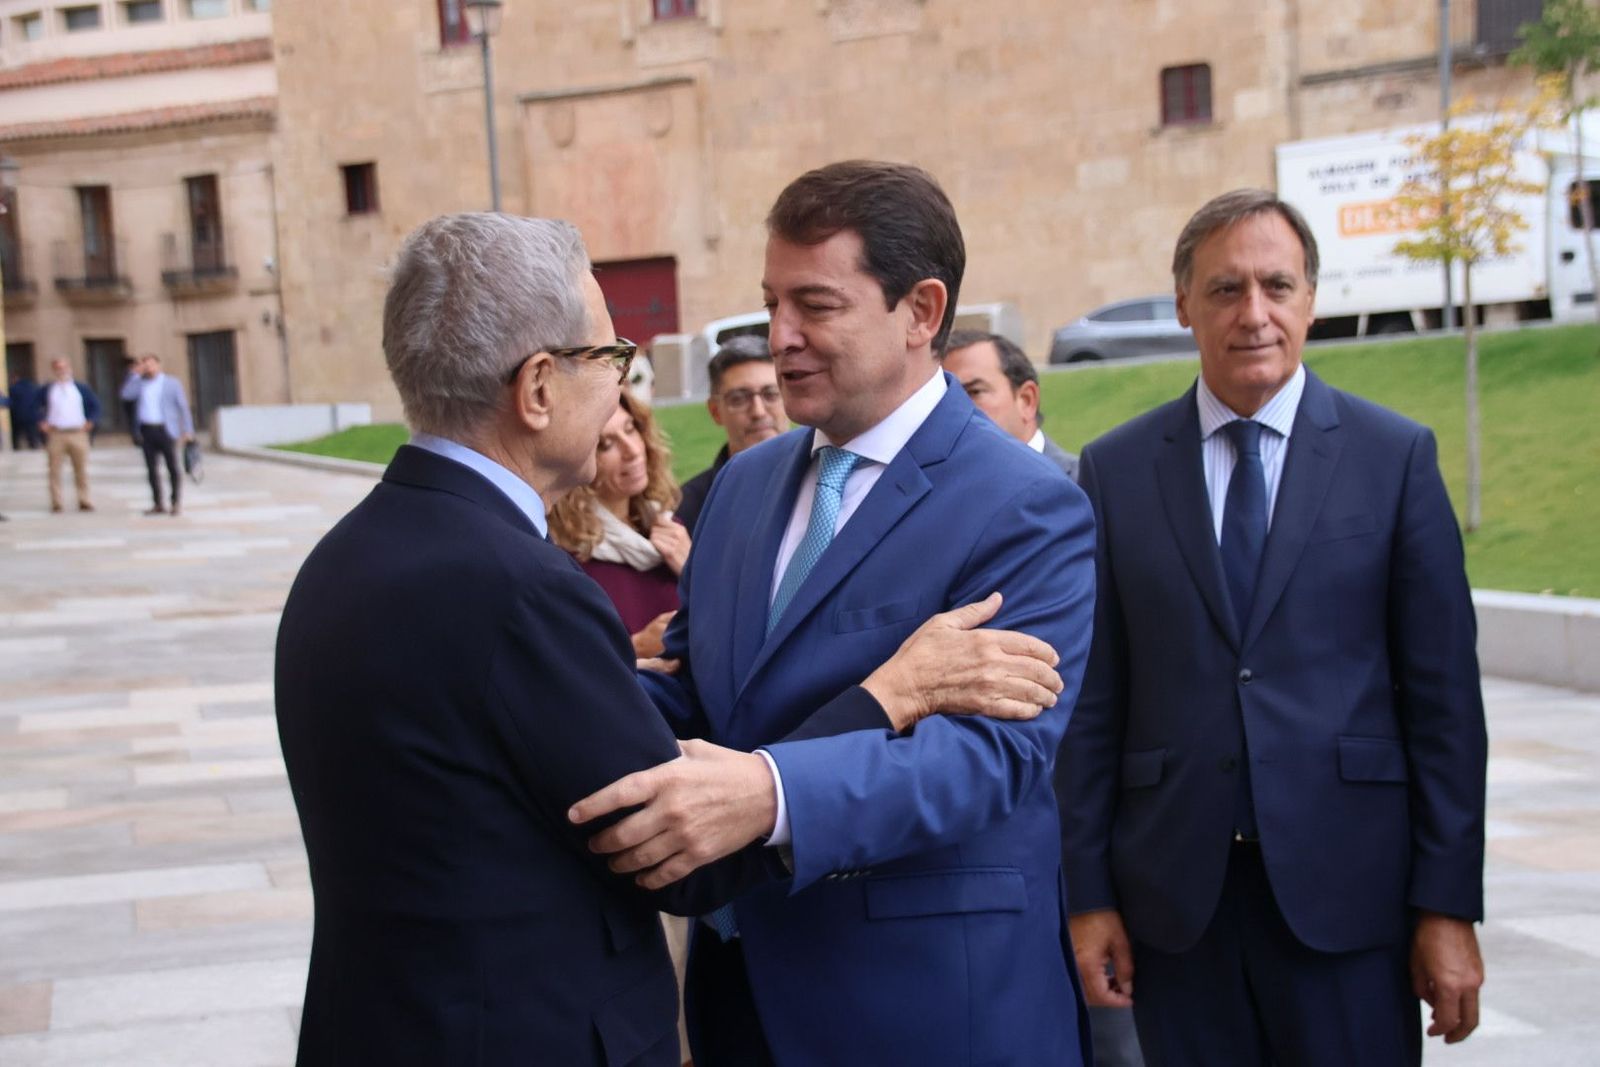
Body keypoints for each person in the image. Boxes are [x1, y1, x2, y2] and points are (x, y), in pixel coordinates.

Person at [274, 211, 1066, 1067]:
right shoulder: (530, 585)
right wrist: (891, 694)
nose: (623, 387)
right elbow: (678, 850)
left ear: (919, 311)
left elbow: (562, 719)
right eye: (611, 357)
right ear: (538, 388)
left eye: (815, 304)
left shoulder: (342, 557)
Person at [571, 161, 1098, 1066]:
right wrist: (556, 689)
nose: (780, 337)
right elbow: (704, 693)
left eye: (815, 305)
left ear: (921, 311)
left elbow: (987, 758)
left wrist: (770, 796)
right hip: (739, 997)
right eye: (771, 302)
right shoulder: (740, 486)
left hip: (925, 1009)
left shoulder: (1024, 502)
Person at [1058, 188, 1488, 1067]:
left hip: (1351, 901)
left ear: (1311, 300)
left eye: (1276, 286)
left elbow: (1446, 704)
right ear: (1183, 305)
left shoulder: (1394, 458)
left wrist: (1447, 908)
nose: (1253, 313)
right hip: (1178, 908)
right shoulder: (1115, 470)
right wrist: (1088, 895)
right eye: (1224, 289)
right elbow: (1094, 706)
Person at [549, 390, 689, 657]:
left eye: (630, 429)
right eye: (606, 444)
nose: (633, 451)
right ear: (574, 457)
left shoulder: (667, 526)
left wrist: (692, 569)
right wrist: (634, 648)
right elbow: (568, 661)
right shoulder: (571, 558)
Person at [675, 334, 788, 531]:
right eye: (739, 399)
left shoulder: (825, 484)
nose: (758, 411)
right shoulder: (688, 509)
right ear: (715, 411)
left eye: (770, 394)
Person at [942, 329, 1079, 481]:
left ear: (1026, 400)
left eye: (974, 392)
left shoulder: (1085, 485)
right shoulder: (941, 491)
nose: (957, 407)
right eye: (947, 397)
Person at [122, 354, 195, 517]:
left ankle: (175, 502)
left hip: (166, 429)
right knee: (151, 469)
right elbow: (126, 395)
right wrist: (136, 374)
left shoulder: (171, 383)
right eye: (145, 365)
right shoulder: (140, 383)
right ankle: (157, 503)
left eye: (151, 364)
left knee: (172, 467)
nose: (149, 368)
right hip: (147, 430)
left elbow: (182, 407)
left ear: (158, 365)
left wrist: (188, 430)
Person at [37, 358, 98, 513]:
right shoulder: (48, 389)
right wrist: (41, 422)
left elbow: (95, 405)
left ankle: (84, 499)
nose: (61, 370)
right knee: (54, 469)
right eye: (58, 368)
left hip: (77, 432)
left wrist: (91, 421)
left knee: (81, 468)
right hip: (57, 433)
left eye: (64, 367)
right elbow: (33, 406)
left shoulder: (80, 388)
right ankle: (57, 501)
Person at [8, 371, 41, 451]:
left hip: (18, 416)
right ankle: (35, 448)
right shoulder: (32, 387)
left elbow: (11, 402)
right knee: (32, 436)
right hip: (32, 415)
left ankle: (16, 449)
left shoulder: (13, 389)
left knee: (16, 436)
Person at [120, 356, 144, 448]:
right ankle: (136, 437)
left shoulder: (140, 378)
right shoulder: (130, 376)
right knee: (133, 420)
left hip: (137, 401)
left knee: (136, 420)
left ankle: (138, 437)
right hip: (129, 401)